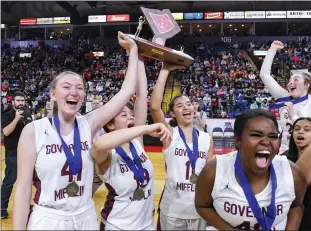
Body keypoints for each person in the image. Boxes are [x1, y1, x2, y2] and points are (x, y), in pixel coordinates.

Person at [13, 31, 139, 230]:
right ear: (53, 95)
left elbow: (126, 91)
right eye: (66, 87)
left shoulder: (88, 124)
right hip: (48, 217)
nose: (74, 92)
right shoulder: (34, 130)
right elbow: (22, 188)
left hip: (85, 216)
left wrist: (133, 51)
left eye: (79, 88)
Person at [194, 109, 311, 230]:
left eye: (272, 136)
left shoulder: (292, 172)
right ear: (237, 141)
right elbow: (202, 205)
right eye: (256, 135)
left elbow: (296, 206)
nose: (266, 142)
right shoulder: (214, 170)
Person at [91, 55, 171, 230]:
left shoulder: (136, 142)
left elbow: (142, 96)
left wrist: (138, 56)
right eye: (124, 115)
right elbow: (98, 145)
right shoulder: (106, 151)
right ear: (110, 124)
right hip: (117, 226)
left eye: (131, 114)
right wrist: (144, 128)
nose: (131, 117)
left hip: (146, 224)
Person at [150, 63, 214, 230]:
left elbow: (210, 175)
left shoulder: (207, 139)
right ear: (172, 113)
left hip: (198, 209)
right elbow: (155, 107)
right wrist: (165, 70)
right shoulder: (170, 134)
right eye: (179, 106)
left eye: (188, 104)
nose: (186, 107)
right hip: (173, 209)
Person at [260, 40, 311, 154]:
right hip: (285, 152)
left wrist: (293, 116)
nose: (290, 82)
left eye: (296, 79)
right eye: (289, 80)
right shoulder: (284, 97)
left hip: (309, 153)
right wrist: (272, 50)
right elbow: (264, 75)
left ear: (307, 85)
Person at [284, 114, 311, 230]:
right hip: (287, 222)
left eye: (307, 130)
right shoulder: (282, 159)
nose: (300, 132)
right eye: (296, 129)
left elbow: (299, 183)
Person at [1, 91, 32, 219]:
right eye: (18, 101)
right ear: (13, 102)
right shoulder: (6, 115)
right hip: (13, 154)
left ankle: (25, 206)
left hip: (28, 153)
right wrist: (16, 119)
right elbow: (6, 132)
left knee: (27, 181)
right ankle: (2, 208)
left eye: (22, 101)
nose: (21, 103)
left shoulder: (28, 113)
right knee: (9, 181)